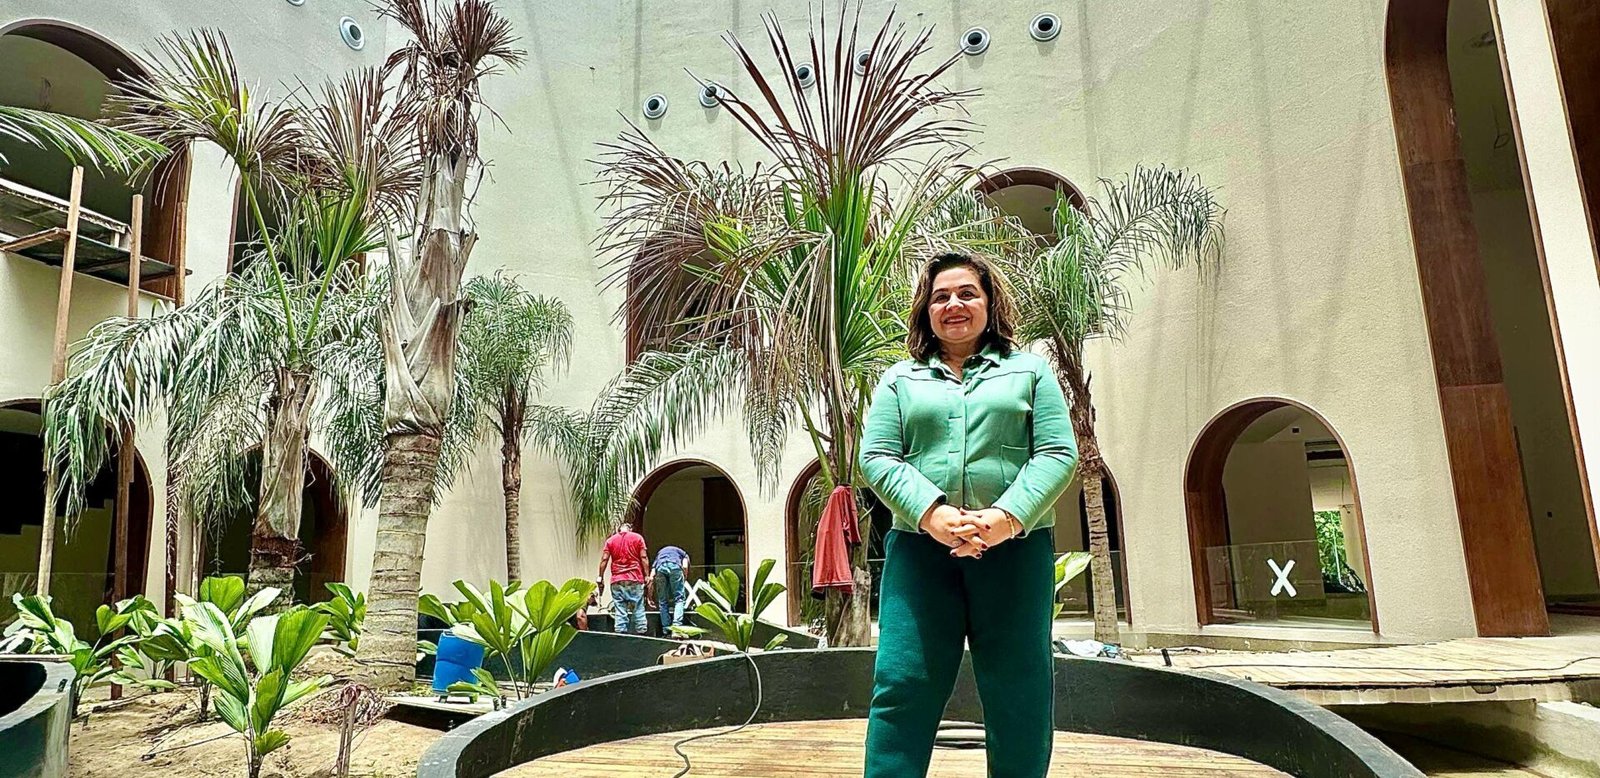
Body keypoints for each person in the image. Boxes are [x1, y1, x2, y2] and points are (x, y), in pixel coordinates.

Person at [859, 252, 1078, 777]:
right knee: (902, 683)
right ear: (926, 310)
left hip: (1016, 552)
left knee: (1020, 689)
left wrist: (1006, 517)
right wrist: (931, 514)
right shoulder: (899, 380)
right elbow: (877, 457)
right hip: (920, 554)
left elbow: (1056, 453)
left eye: (966, 293)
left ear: (989, 302)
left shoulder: (1030, 371)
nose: (953, 304)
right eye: (940, 296)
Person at [596, 521, 650, 635]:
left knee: (620, 609)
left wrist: (600, 577)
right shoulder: (638, 538)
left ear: (618, 530)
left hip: (617, 579)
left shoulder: (610, 541)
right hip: (635, 578)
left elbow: (604, 559)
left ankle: (620, 634)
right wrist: (647, 576)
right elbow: (644, 557)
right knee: (638, 607)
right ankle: (642, 633)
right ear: (630, 529)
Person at [651, 544, 691, 636]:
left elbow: (652, 574)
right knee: (679, 599)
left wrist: (649, 595)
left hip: (660, 568)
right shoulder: (683, 554)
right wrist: (684, 577)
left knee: (662, 601)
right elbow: (685, 566)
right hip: (675, 567)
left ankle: (666, 629)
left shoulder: (659, 554)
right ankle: (676, 628)